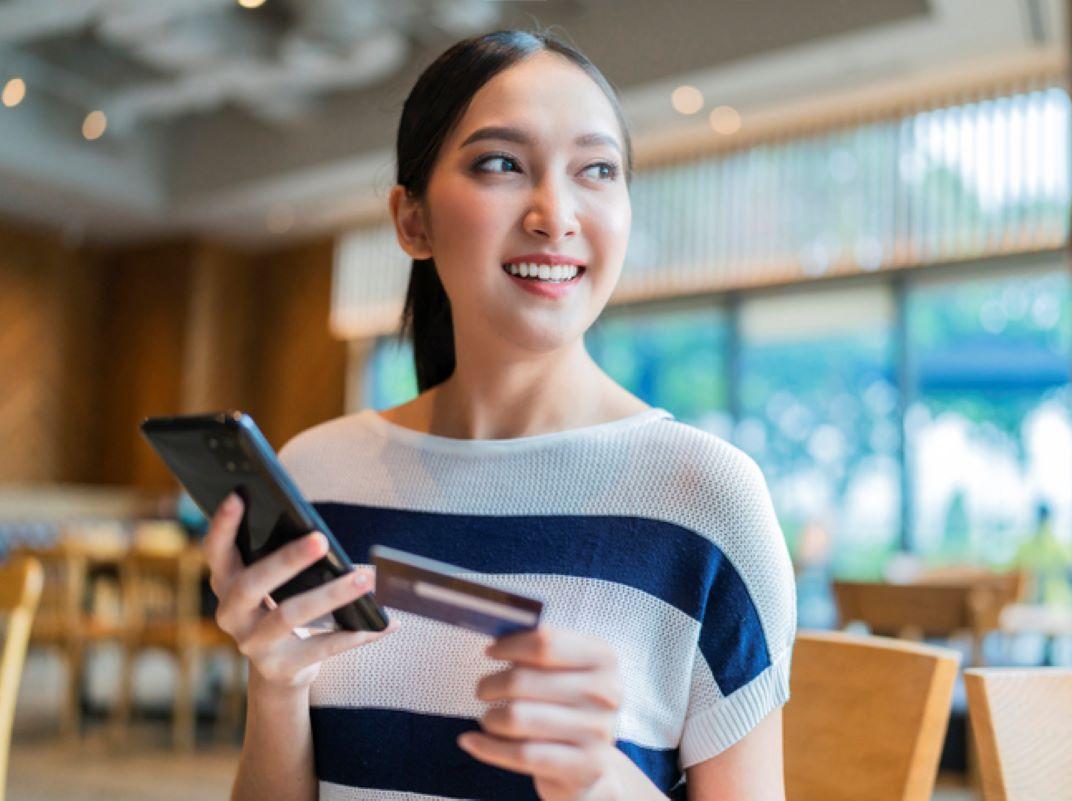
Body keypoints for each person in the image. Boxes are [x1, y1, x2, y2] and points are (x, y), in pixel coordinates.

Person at [202, 30, 796, 801]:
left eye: (597, 170)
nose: (556, 214)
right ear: (411, 220)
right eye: (501, 164)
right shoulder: (315, 477)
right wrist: (275, 684)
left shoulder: (708, 500)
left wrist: (597, 776)